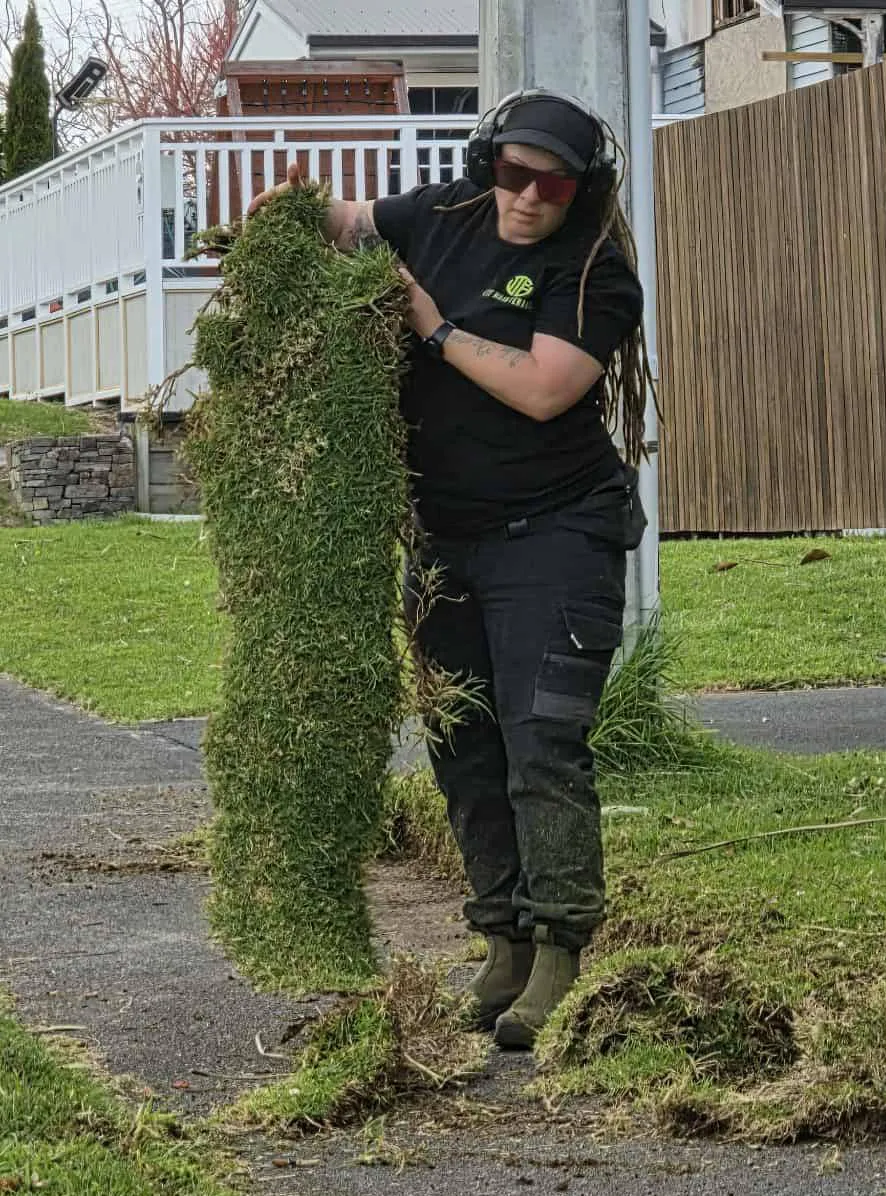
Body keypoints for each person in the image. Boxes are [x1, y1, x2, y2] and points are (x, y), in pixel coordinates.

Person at [248, 89, 648, 1049]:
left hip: (555, 534)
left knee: (542, 742)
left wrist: (432, 327)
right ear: (486, 166)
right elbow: (350, 222)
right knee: (462, 741)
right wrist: (294, 210)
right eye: (513, 173)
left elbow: (545, 389)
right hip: (444, 540)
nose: (529, 196)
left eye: (553, 184)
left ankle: (559, 953)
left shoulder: (592, 269)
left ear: (581, 189)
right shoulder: (441, 215)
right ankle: (502, 941)